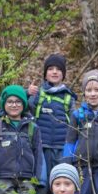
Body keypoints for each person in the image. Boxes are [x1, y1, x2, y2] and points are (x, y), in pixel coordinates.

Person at [27, 53, 77, 183]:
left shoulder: (68, 97)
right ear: (45, 73)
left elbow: (74, 122)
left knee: (59, 180)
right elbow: (19, 107)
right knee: (41, 181)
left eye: (58, 69)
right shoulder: (38, 93)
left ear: (63, 74)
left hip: (61, 147)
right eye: (50, 69)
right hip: (41, 146)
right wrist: (26, 93)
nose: (54, 72)